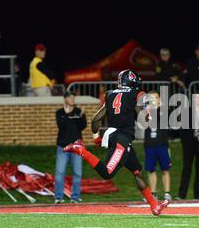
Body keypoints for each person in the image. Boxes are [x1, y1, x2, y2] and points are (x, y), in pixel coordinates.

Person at [63, 69, 169, 216]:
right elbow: (144, 118)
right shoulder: (137, 94)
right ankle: (81, 150)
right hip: (122, 139)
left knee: (137, 172)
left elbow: (95, 120)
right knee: (107, 173)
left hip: (117, 137)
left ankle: (154, 206)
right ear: (132, 80)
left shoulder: (110, 94)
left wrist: (96, 137)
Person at [54, 91, 87, 204]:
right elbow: (61, 126)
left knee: (77, 173)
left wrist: (81, 116)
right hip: (63, 146)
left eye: (73, 98)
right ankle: (58, 197)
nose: (72, 100)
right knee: (60, 172)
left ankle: (75, 197)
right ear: (65, 99)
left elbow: (82, 126)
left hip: (77, 147)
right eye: (70, 98)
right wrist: (68, 114)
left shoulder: (78, 112)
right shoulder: (60, 112)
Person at [143, 91, 172, 201]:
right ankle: (153, 193)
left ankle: (167, 193)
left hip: (162, 144)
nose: (154, 100)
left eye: (156, 97)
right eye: (152, 98)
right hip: (150, 145)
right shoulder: (146, 112)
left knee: (165, 169)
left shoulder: (163, 111)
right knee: (151, 170)